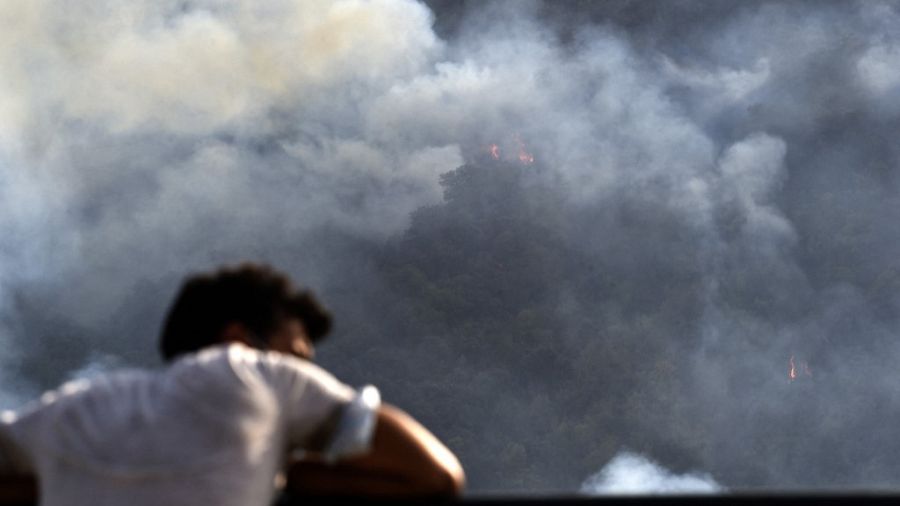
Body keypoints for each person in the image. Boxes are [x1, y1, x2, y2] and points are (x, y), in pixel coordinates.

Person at [0, 263, 464, 505]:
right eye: (298, 352)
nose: (303, 366)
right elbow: (435, 474)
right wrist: (289, 474)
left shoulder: (80, 408)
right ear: (239, 337)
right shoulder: (255, 371)